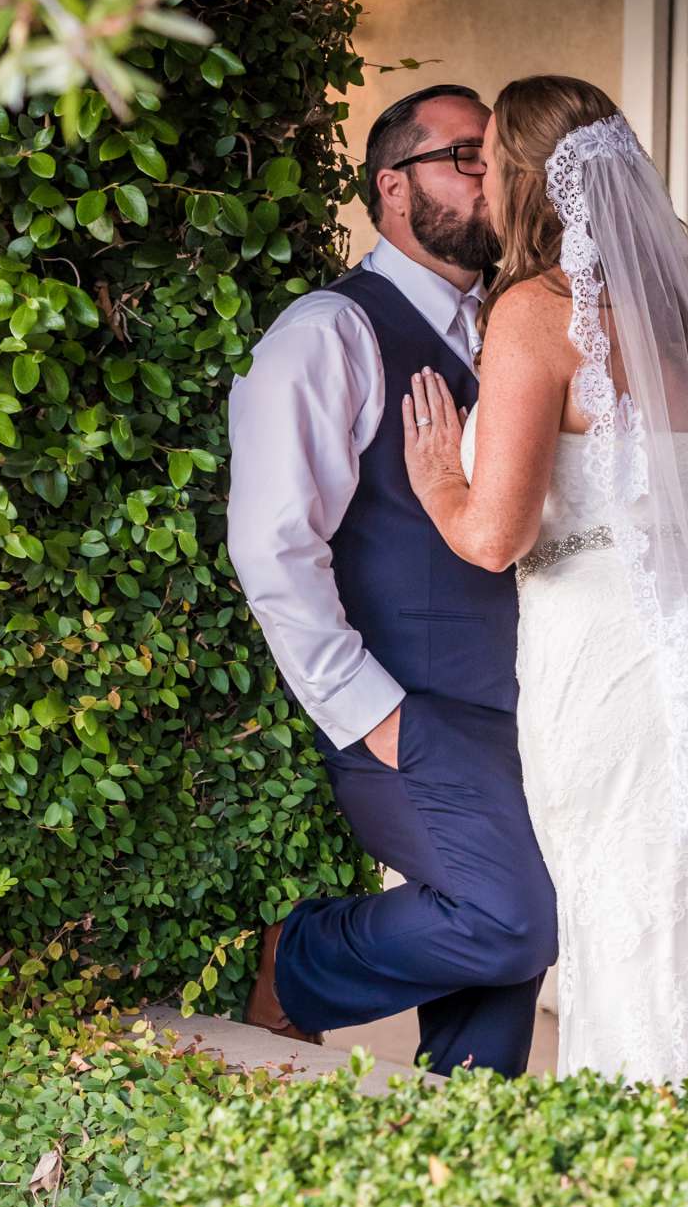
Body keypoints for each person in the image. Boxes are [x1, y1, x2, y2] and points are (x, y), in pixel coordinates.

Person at [401, 75, 688, 1101]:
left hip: (603, 667)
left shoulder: (534, 316)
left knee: (626, 908)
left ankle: (640, 1150)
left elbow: (494, 537)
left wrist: (436, 479)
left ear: (524, 184)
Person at [225, 82, 556, 1077]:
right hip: (408, 713)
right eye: (465, 158)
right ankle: (302, 960)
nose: (488, 178)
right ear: (393, 188)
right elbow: (274, 546)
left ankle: (462, 1171)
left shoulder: (513, 332)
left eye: (494, 159)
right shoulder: (328, 333)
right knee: (513, 920)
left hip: (526, 709)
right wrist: (368, 712)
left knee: (497, 987)